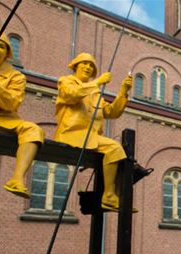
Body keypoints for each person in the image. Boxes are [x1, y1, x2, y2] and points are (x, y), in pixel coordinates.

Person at [55, 52, 132, 212]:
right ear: (75, 66)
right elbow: (71, 95)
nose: (88, 67)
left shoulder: (95, 93)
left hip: (90, 137)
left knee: (118, 154)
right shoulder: (66, 81)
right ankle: (109, 196)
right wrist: (97, 82)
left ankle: (113, 195)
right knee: (114, 148)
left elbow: (112, 112)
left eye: (91, 65)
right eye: (85, 63)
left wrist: (123, 92)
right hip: (71, 133)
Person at [0, 27, 44, 198]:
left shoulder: (16, 77)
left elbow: (11, 103)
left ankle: (17, 179)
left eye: (2, 47)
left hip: (4, 119)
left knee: (33, 130)